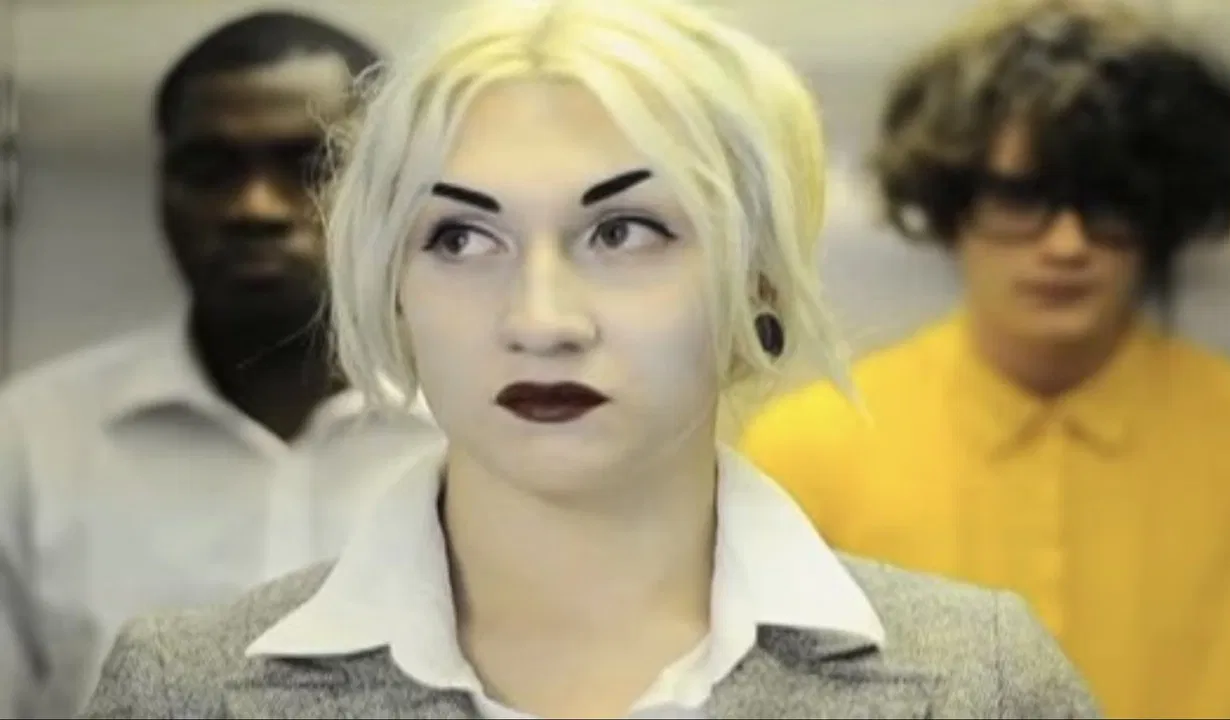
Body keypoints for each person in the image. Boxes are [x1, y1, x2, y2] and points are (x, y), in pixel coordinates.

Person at [79, 0, 1099, 718]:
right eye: (461, 238)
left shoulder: (985, 686)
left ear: (757, 278)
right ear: (392, 287)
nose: (541, 319)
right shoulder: (184, 693)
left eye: (623, 232)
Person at [739, 0, 1230, 717]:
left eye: (1109, 201)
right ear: (950, 203)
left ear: (1160, 213)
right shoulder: (811, 451)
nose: (1067, 244)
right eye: (1020, 198)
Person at [0, 11, 438, 718]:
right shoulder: (30, 443)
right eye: (210, 170)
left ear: (392, 186)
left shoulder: (481, 432)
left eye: (311, 165)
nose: (254, 207)